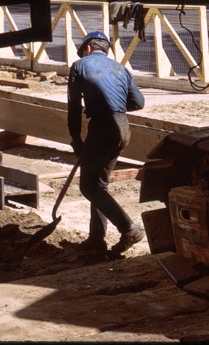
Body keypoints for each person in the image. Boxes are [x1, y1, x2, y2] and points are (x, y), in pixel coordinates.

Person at [67, 31, 147, 255]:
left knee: (88, 186)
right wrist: (116, 106)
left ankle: (129, 228)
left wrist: (76, 140)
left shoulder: (79, 65)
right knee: (99, 185)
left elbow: (73, 107)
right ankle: (96, 239)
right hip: (123, 129)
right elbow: (139, 102)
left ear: (88, 49)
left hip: (103, 128)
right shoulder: (120, 68)